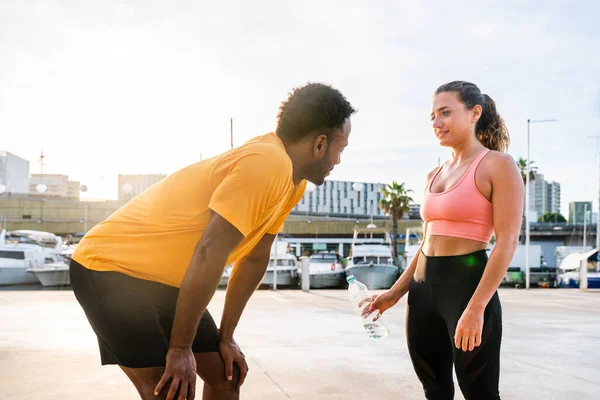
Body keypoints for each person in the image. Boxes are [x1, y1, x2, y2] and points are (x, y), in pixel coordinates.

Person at [70, 82, 356, 400]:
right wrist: (180, 349)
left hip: (168, 283)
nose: (338, 160)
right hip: (111, 271)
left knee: (225, 376)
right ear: (320, 144)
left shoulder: (292, 182)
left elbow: (255, 258)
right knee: (171, 389)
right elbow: (210, 251)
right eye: (340, 149)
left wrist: (226, 336)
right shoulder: (267, 163)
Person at [363, 81, 523, 399]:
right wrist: (395, 293)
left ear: (475, 112)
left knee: (480, 393)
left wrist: (476, 308)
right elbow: (427, 243)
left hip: (467, 287)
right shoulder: (433, 175)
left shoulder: (498, 165)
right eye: (433, 116)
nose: (437, 123)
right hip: (422, 292)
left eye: (446, 113)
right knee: (434, 390)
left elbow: (507, 242)